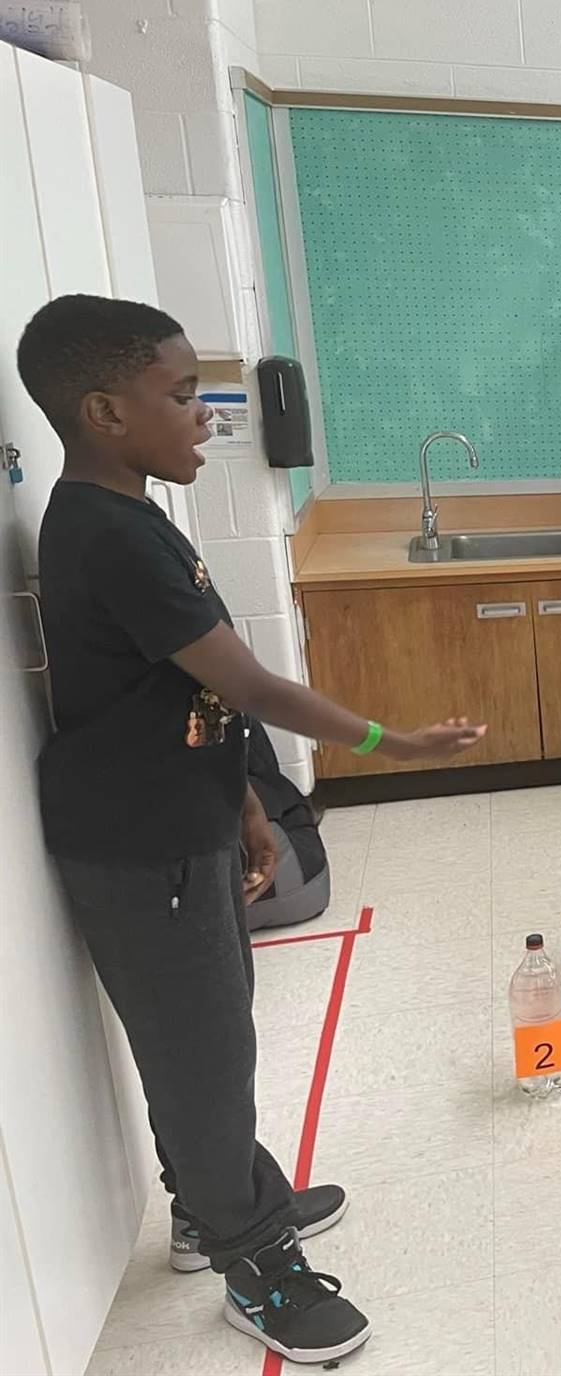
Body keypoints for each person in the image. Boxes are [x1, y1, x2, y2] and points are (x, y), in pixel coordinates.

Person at [17, 294, 484, 1365]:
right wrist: (392, 740)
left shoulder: (131, 516)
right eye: (181, 397)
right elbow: (248, 681)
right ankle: (250, 1260)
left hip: (184, 827)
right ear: (103, 410)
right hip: (140, 848)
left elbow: (173, 694)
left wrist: (238, 807)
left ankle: (207, 1203)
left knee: (213, 1044)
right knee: (204, 1058)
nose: (206, 417)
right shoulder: (105, 533)